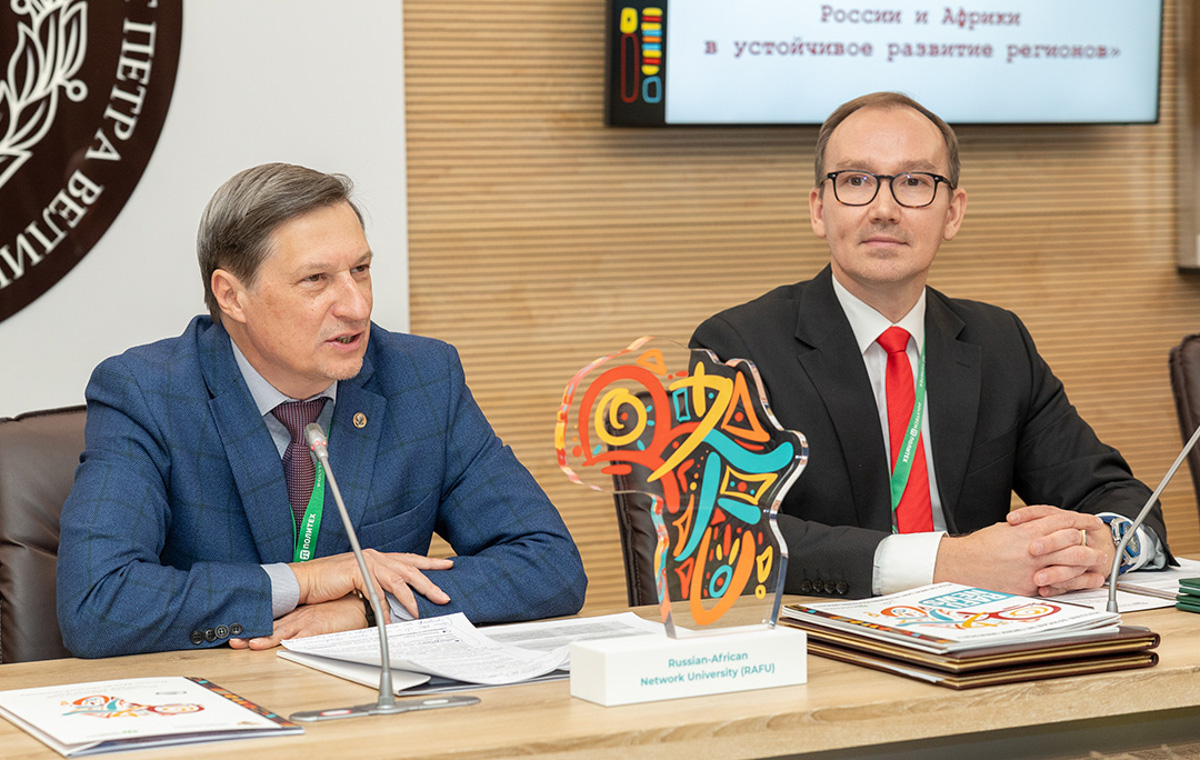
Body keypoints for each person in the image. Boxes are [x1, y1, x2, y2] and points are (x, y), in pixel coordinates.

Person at [57, 163, 587, 658]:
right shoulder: (149, 392)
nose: (356, 306)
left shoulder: (422, 378)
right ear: (231, 296)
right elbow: (97, 603)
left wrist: (368, 606)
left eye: (360, 269)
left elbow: (550, 565)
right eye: (316, 280)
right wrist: (306, 581)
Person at [690, 92, 1171, 600]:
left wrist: (1103, 541)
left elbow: (1117, 497)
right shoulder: (738, 347)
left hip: (985, 641)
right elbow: (727, 535)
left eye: (914, 183)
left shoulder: (998, 341)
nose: (883, 209)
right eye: (856, 181)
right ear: (818, 209)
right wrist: (946, 561)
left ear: (952, 213)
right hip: (829, 649)